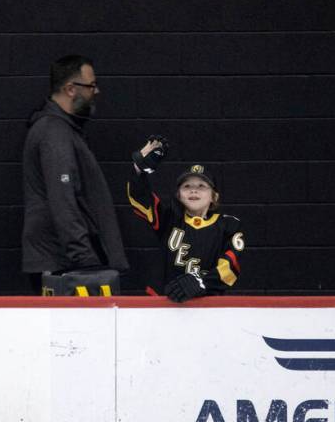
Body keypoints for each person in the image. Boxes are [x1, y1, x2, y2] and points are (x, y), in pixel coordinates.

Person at [21, 55, 128, 294]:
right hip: (64, 267)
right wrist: (86, 260)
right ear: (70, 89)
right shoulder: (54, 133)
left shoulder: (63, 130)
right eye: (91, 85)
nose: (96, 91)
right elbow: (63, 200)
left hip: (65, 262)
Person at [127, 137, 244, 302]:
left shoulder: (229, 226)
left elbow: (231, 267)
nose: (193, 191)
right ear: (179, 195)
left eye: (201, 186)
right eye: (187, 186)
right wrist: (140, 169)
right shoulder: (169, 218)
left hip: (208, 307)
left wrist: (200, 282)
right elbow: (140, 198)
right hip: (164, 305)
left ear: (214, 196)